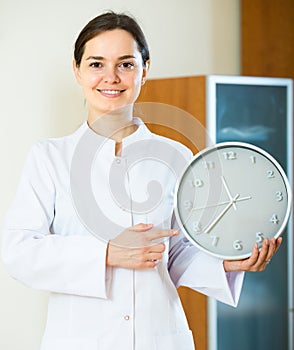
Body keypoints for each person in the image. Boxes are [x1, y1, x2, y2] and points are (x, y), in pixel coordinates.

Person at [1, 11, 281, 350]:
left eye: (126, 64)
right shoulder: (50, 157)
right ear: (76, 71)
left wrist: (227, 262)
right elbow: (18, 251)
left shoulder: (177, 155)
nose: (111, 77)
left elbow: (177, 253)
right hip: (79, 339)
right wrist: (107, 253)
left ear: (145, 70)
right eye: (96, 64)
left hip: (159, 335)